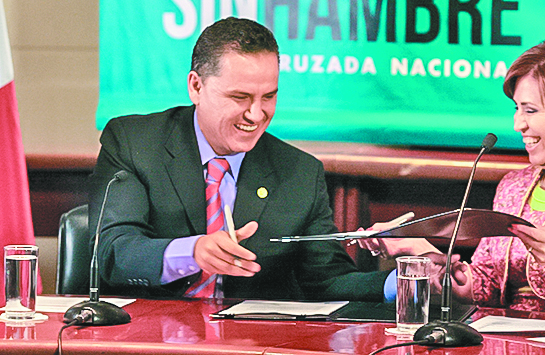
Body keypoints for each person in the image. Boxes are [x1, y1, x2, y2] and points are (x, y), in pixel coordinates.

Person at [360, 34, 545, 321]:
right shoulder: (513, 186)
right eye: (517, 108)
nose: (518, 123)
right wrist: (416, 247)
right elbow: (484, 286)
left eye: (530, 110)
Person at [89, 17, 394, 301]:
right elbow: (114, 251)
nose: (256, 115)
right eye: (240, 97)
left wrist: (404, 280)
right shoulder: (134, 143)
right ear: (196, 86)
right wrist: (192, 252)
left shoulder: (299, 173)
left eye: (269, 97)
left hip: (247, 335)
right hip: (149, 331)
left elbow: (327, 280)